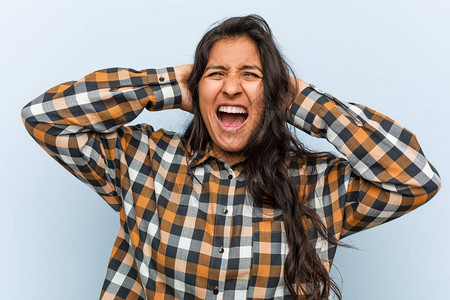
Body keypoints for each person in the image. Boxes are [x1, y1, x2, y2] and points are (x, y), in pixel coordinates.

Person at [21, 15, 441, 300]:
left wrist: (301, 101)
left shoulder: (318, 185)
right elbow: (43, 118)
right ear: (196, 89)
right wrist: (167, 84)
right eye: (216, 73)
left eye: (252, 75)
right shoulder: (143, 161)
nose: (232, 88)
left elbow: (416, 178)